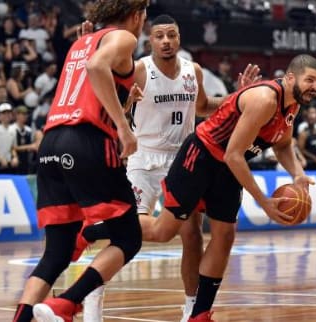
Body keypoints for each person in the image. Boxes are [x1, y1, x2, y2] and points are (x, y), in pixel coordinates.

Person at [76, 14, 261, 322]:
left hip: (183, 159)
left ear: (179, 38)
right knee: (131, 232)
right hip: (143, 159)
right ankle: (93, 289)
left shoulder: (194, 71)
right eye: (159, 36)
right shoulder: (137, 70)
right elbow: (109, 108)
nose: (165, 41)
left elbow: (202, 107)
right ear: (150, 39)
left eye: (171, 35)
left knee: (191, 236)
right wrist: (124, 105)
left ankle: (191, 308)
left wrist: (238, 96)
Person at [136, 54, 316, 321]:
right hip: (201, 157)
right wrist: (263, 201)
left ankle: (199, 314)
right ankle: (100, 225)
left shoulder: (293, 105)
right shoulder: (266, 99)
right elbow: (233, 154)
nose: (315, 87)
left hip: (228, 167)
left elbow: (282, 145)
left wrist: (297, 173)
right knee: (162, 231)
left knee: (225, 235)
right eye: (310, 80)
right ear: (291, 77)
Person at [11, 1, 149, 322]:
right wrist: (124, 127)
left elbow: (91, 82)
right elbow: (97, 68)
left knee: (56, 254)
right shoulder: (124, 37)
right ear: (136, 14)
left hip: (50, 144)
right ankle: (67, 303)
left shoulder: (80, 42)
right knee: (128, 238)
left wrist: (124, 104)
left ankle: (21, 319)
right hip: (86, 142)